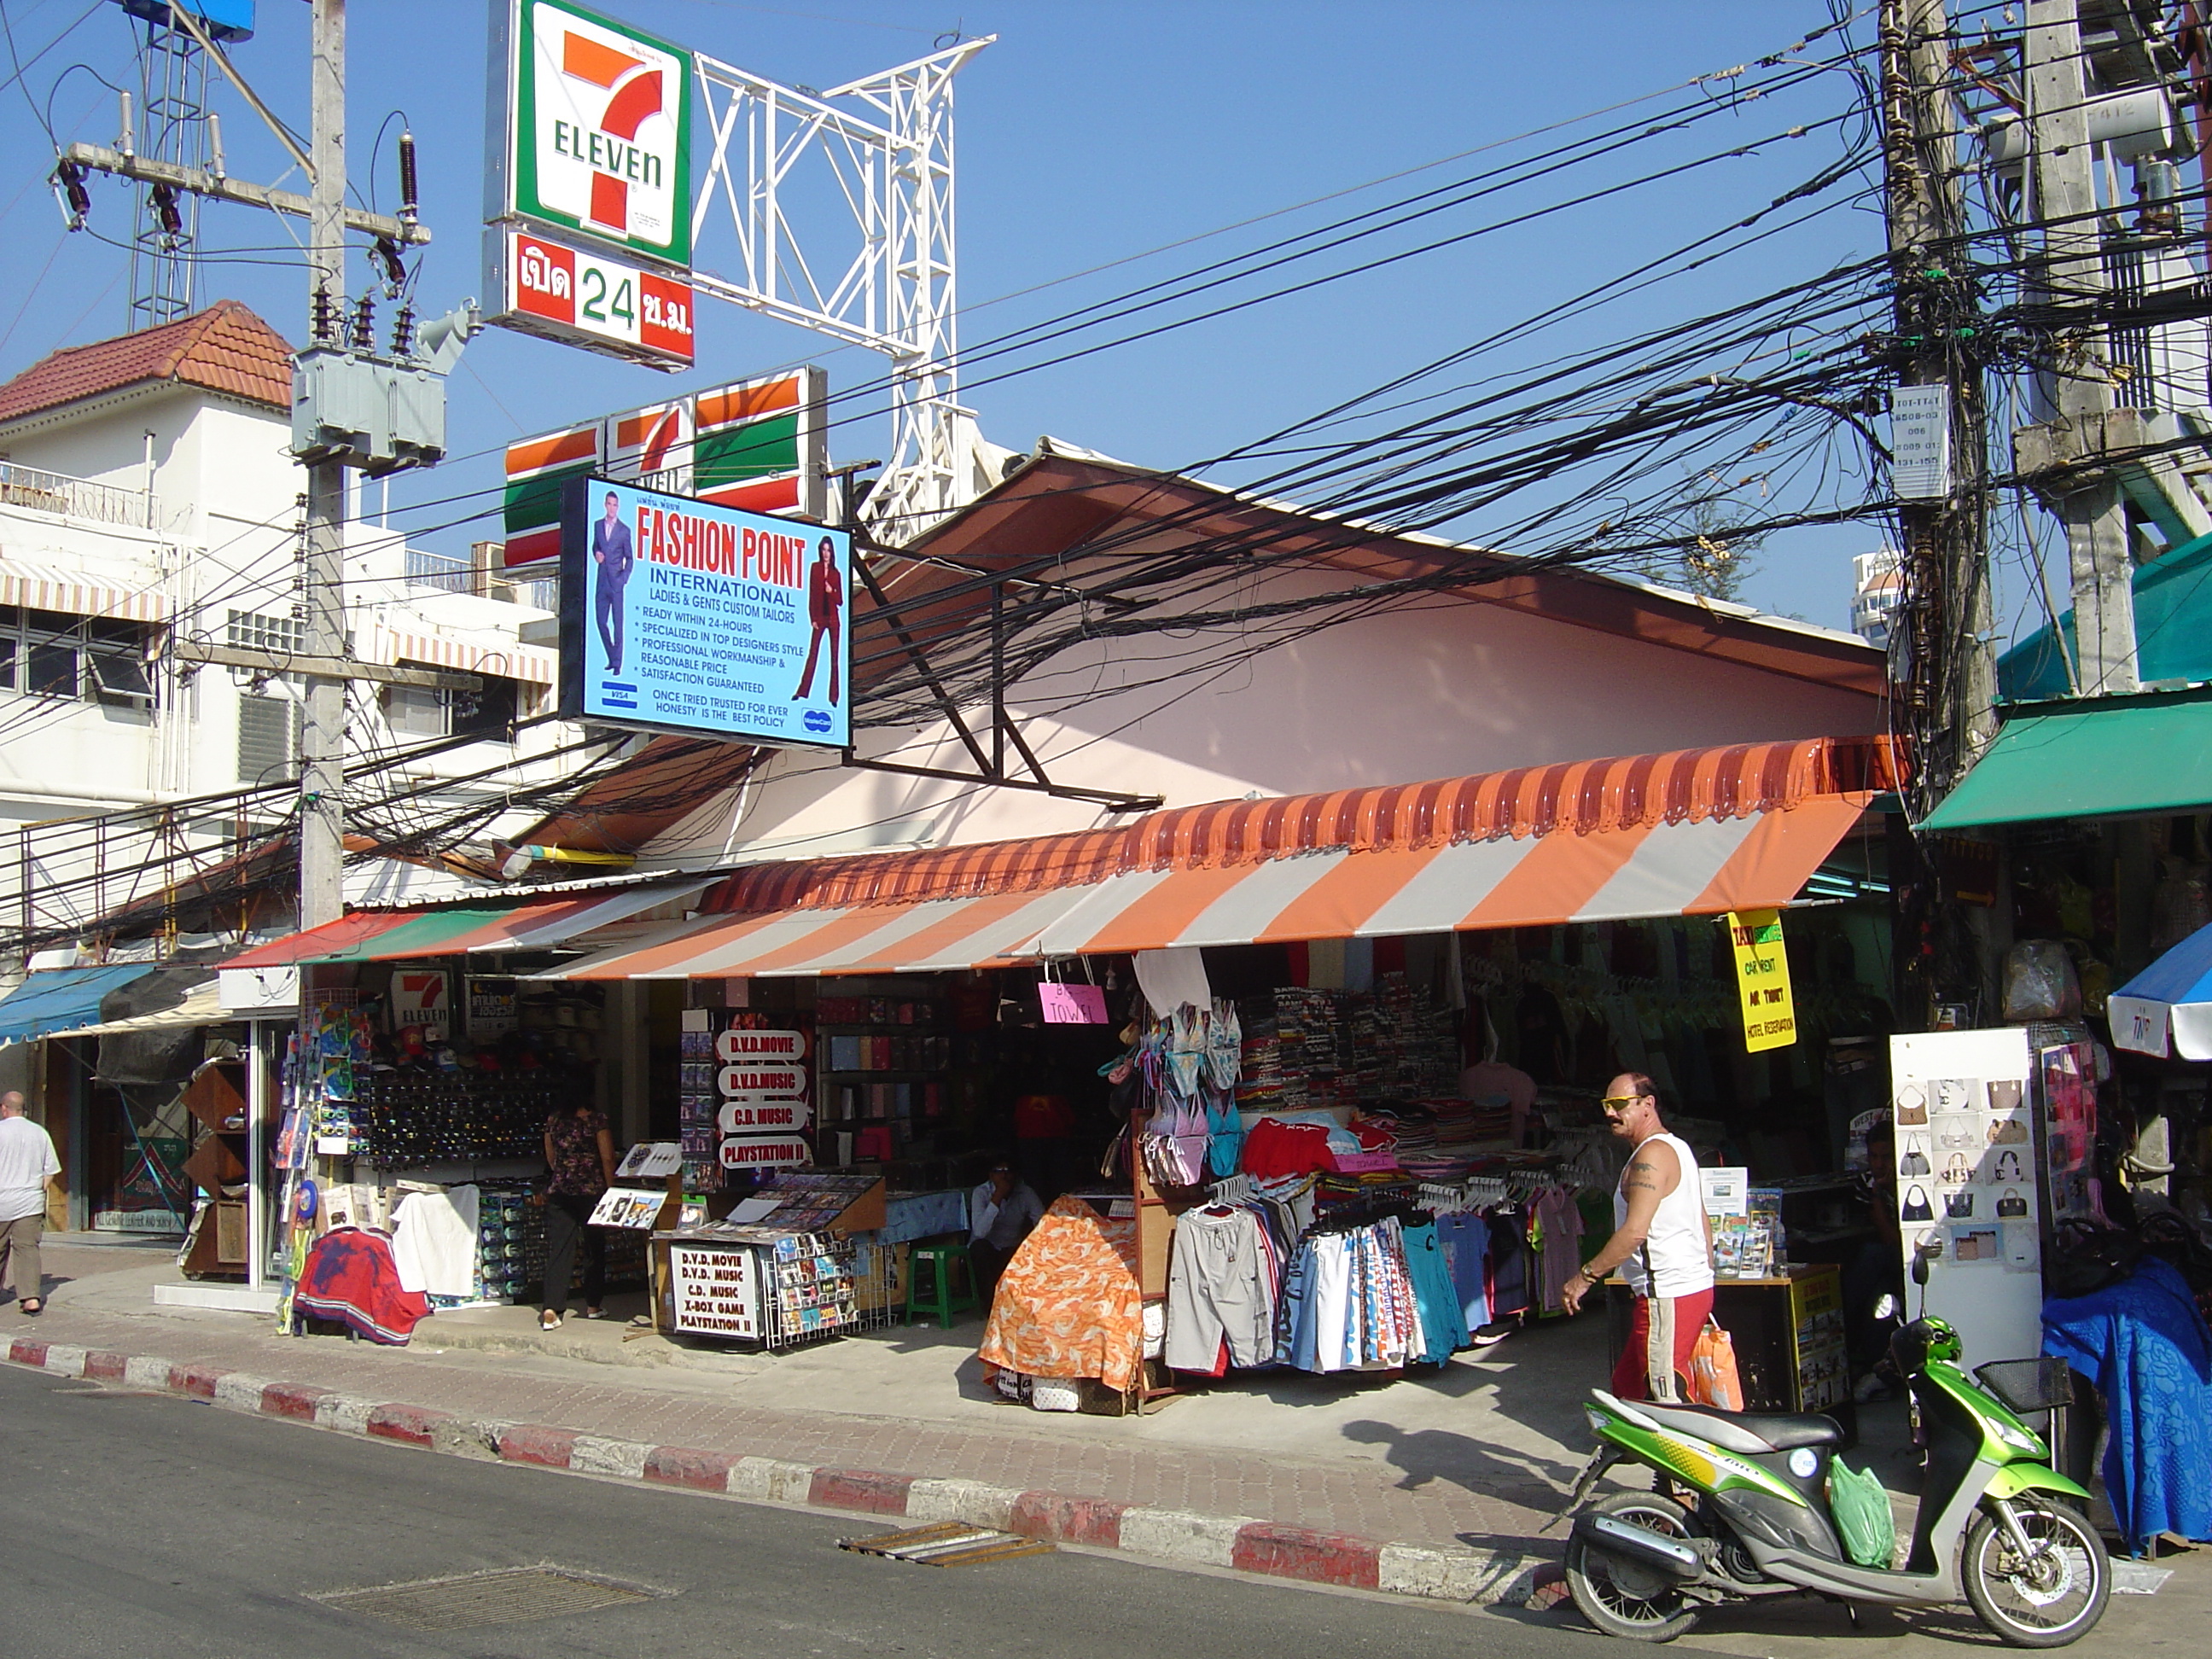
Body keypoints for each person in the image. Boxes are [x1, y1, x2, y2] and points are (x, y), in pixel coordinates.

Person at [1560, 1073, 1715, 1402]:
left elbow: (1634, 1231)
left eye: (1619, 1105)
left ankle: (1679, 1452)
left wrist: (1584, 1277)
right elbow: (1701, 1218)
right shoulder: (1675, 1148)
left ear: (1648, 1104)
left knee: (1666, 1392)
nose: (1610, 1114)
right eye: (1606, 1105)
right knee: (1629, 1383)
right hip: (1680, 1290)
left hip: (1669, 1293)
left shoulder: (1652, 1155)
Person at [539, 1100, 614, 1329]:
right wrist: (611, 1188)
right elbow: (607, 1157)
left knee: (560, 1249)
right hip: (591, 1190)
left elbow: (550, 1156)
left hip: (561, 1190)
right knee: (593, 1247)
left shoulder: (554, 1120)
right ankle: (593, 1304)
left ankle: (552, 1308)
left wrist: (565, 1173)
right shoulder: (596, 1119)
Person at [0, 1091, 61, 1316]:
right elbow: (51, 1171)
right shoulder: (39, 1133)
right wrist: (36, 1191)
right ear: (22, 1109)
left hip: (2, 1200)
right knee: (27, 1249)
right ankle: (31, 1298)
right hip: (30, 1202)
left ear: (4, 1108)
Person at [968, 1161, 1044, 1296]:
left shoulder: (1025, 1192)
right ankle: (989, 1304)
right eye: (999, 1171)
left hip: (1011, 1247)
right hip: (988, 1247)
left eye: (1008, 1171)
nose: (1004, 1176)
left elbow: (1042, 1222)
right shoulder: (981, 1193)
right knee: (979, 1249)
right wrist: (997, 1197)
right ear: (991, 1175)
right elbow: (979, 1232)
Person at [793, 534, 843, 705]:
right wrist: (812, 617)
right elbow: (812, 594)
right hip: (820, 618)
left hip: (833, 618)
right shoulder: (815, 568)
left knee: (835, 658)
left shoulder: (837, 573)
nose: (826, 553)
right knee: (813, 654)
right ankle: (802, 691)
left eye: (829, 550)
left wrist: (831, 591)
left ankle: (834, 697)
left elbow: (841, 601)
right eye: (824, 550)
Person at [591, 490, 634, 676]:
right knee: (601, 621)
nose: (612, 508)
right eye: (609, 504)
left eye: (615, 505)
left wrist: (623, 579)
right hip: (601, 581)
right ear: (605, 505)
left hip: (616, 582)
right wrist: (596, 554)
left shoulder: (624, 531)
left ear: (618, 507)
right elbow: (595, 546)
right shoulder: (598, 525)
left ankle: (617, 664)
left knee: (618, 623)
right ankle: (611, 656)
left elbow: (630, 558)